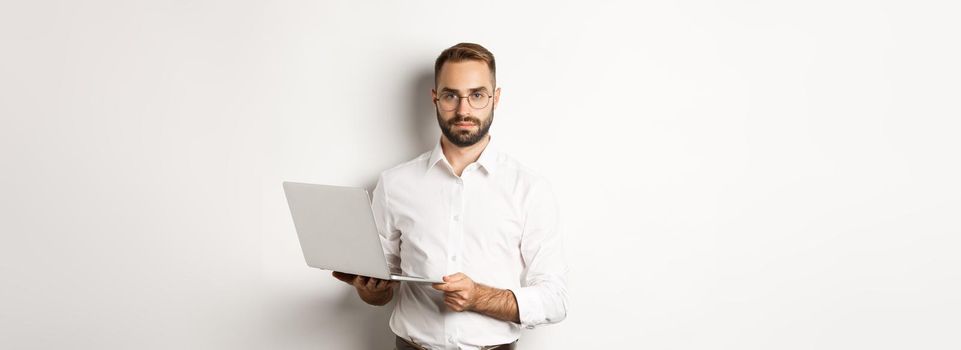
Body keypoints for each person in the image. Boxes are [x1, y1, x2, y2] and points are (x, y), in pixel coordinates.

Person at [332, 42, 568, 350]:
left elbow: (555, 299)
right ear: (435, 98)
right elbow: (381, 285)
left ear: (495, 99)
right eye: (450, 95)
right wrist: (372, 291)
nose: (463, 110)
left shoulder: (530, 189)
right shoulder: (394, 184)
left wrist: (480, 297)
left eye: (477, 95)